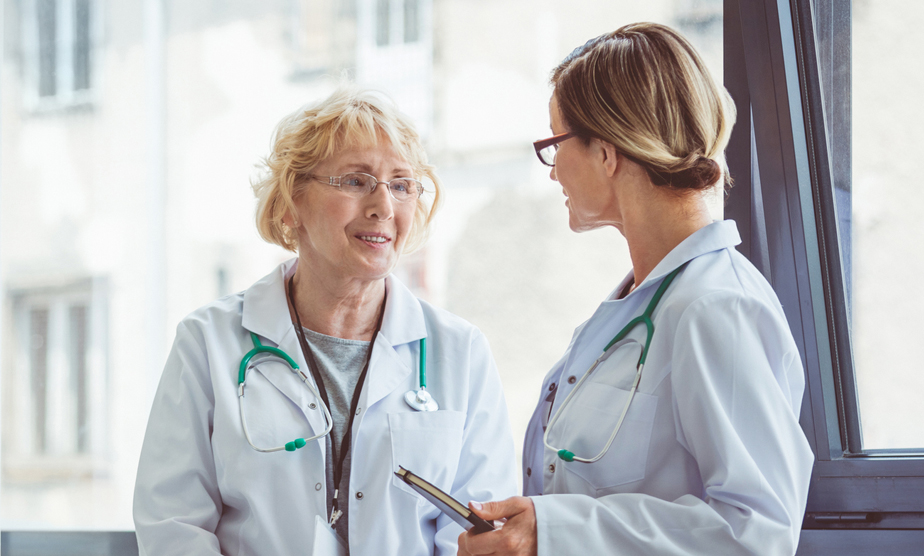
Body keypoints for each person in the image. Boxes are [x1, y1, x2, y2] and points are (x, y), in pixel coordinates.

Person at [458, 23, 814, 556]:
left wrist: (553, 533)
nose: (553, 172)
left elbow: (756, 533)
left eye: (555, 143)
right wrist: (536, 524)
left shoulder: (718, 307)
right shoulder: (645, 305)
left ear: (607, 152)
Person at [133, 86, 518, 556]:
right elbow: (173, 525)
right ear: (291, 203)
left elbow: (479, 536)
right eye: (356, 181)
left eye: (401, 184)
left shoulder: (461, 353)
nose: (384, 206)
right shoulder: (209, 343)